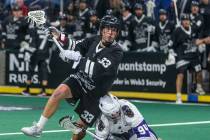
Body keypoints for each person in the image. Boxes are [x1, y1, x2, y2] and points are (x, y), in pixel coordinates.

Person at [21, 14, 123, 140]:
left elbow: (98, 70)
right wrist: (59, 36)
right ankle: (38, 128)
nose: (110, 33)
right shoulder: (94, 40)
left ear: (117, 33)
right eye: (107, 29)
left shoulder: (116, 51)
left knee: (79, 130)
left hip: (96, 94)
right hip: (80, 80)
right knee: (59, 92)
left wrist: (76, 59)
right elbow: (75, 45)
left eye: (113, 30)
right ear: (102, 30)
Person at [172, 14, 205, 104]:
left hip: (193, 56)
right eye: (184, 20)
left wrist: (201, 43)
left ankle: (198, 87)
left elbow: (197, 39)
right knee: (180, 75)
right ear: (181, 22)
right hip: (182, 56)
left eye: (188, 20)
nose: (186, 21)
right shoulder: (177, 30)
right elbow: (172, 44)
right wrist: (171, 53)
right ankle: (178, 96)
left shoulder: (193, 29)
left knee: (199, 71)